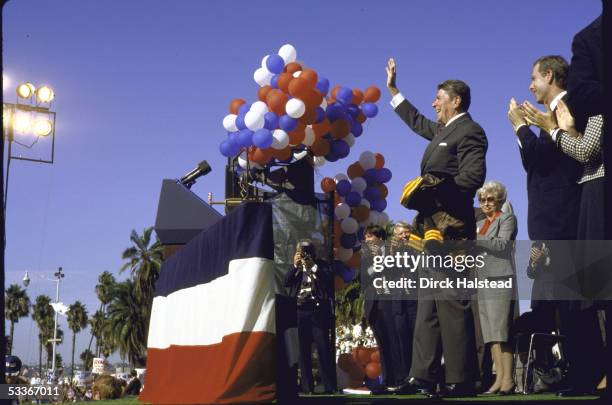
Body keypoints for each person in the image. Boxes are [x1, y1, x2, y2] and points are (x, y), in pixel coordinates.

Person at [386, 58, 485, 398]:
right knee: (427, 305)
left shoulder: (470, 131)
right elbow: (416, 122)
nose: (433, 103)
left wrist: (432, 187)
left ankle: (460, 379)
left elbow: (473, 178)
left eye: (438, 97)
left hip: (453, 231)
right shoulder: (443, 132)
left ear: (455, 101)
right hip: (430, 232)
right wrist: (395, 91)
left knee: (452, 304)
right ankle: (422, 376)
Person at [507, 55, 604, 396]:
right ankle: (584, 371)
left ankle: (586, 373)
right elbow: (533, 165)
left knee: (575, 303)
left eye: (534, 78)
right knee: (569, 304)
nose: (530, 86)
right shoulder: (549, 118)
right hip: (550, 220)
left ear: (549, 75)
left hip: (565, 216)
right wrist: (526, 130)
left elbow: (544, 159)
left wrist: (521, 127)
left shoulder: (570, 109)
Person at [362, 223, 418, 394]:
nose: (367, 240)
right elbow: (364, 275)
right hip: (374, 303)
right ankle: (387, 380)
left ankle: (402, 379)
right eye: (366, 238)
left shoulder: (390, 251)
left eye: (370, 237)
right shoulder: (365, 256)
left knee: (395, 342)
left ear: (379, 238)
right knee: (383, 343)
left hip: (390, 301)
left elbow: (396, 270)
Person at [475, 181, 518, 395]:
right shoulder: (481, 223)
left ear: (498, 199)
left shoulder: (507, 218)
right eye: (482, 199)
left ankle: (508, 379)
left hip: (500, 278)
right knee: (491, 333)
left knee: (502, 331)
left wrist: (477, 239)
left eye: (490, 199)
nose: (485, 203)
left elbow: (502, 244)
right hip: (482, 280)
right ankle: (498, 379)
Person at [284, 239, 336, 394]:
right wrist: (295, 265)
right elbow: (286, 282)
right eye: (302, 251)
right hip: (300, 312)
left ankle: (329, 386)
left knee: (323, 350)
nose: (304, 253)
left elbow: (327, 280)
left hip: (318, 311)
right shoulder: (297, 267)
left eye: (307, 250)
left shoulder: (322, 265)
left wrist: (312, 265)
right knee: (303, 351)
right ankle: (307, 387)